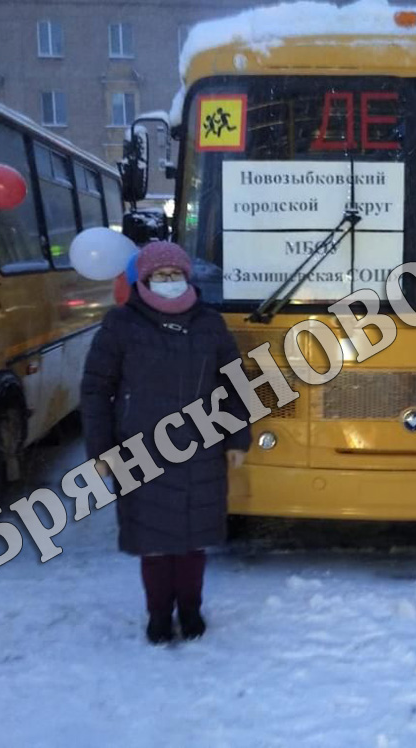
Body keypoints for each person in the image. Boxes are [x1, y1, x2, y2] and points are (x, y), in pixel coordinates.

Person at [80, 241, 251, 645]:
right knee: (153, 543)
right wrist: (101, 453)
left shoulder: (209, 323)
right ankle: (158, 614)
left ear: (186, 277)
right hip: (140, 450)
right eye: (161, 275)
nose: (169, 282)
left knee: (194, 540)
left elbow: (235, 385)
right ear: (145, 279)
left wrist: (237, 438)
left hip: (202, 448)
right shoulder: (121, 324)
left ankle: (190, 609)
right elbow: (95, 390)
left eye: (176, 275)